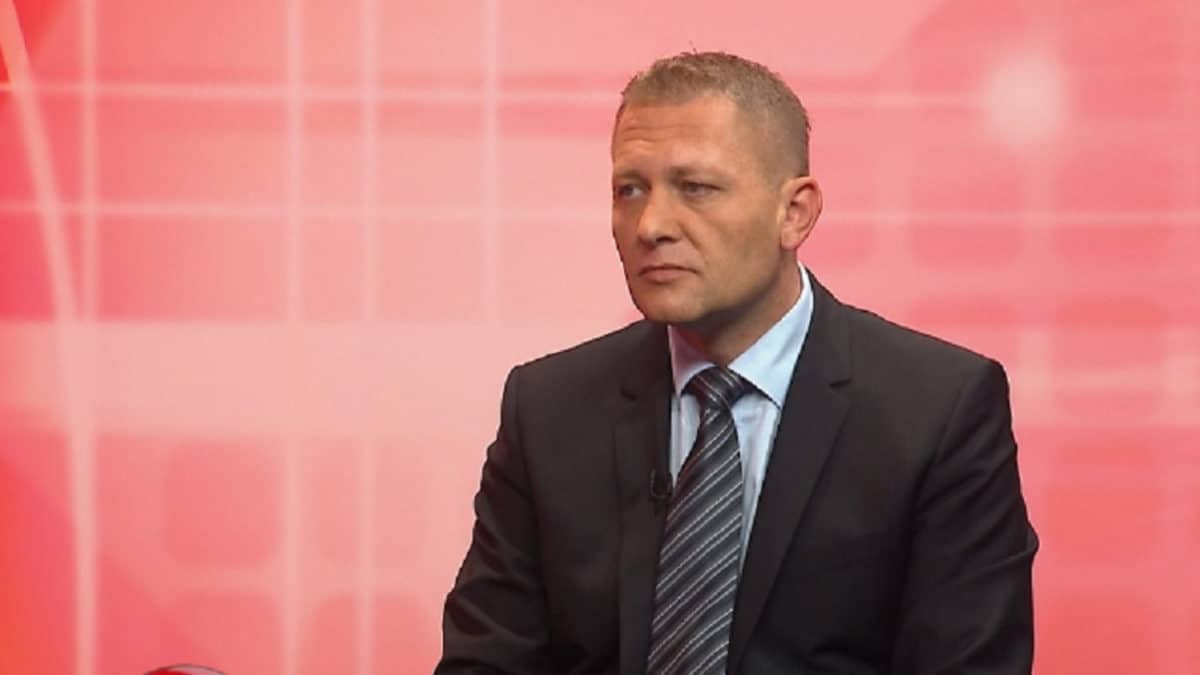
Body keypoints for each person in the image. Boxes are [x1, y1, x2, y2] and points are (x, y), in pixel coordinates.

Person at [436, 51, 1037, 675]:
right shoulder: (548, 409)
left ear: (794, 213)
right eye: (629, 190)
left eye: (695, 188)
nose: (650, 225)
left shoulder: (938, 411)